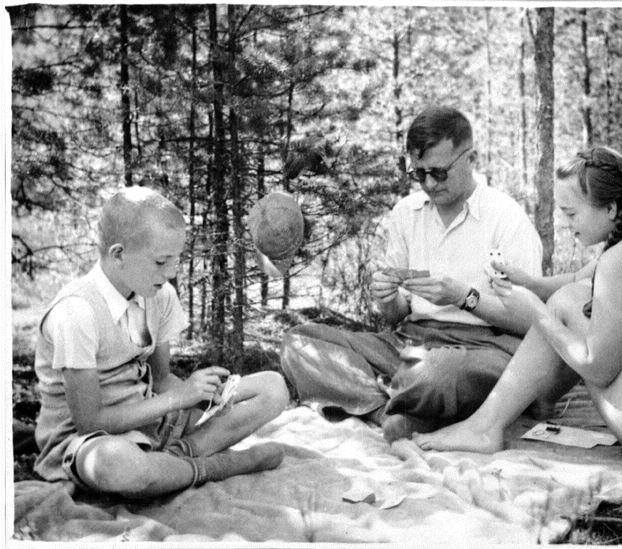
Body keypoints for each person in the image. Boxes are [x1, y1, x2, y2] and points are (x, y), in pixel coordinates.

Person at [280, 106, 543, 441]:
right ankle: (386, 412)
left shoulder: (506, 218)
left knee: (436, 375)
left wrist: (465, 298)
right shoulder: (406, 213)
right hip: (409, 343)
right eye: (419, 174)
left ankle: (384, 396)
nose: (429, 184)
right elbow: (396, 315)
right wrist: (387, 299)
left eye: (439, 172)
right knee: (299, 342)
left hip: (482, 349)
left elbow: (532, 324)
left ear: (471, 158)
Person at [33, 187, 289, 497]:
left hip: (152, 422)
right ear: (118, 254)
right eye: (160, 261)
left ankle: (175, 460)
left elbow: (162, 377)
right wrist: (179, 399)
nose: (170, 273)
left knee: (273, 387)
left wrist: (204, 396)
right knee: (117, 464)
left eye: (177, 260)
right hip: (88, 444)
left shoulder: (158, 294)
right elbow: (90, 422)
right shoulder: (77, 312)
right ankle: (220, 466)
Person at [414, 145, 622, 453]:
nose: (567, 224)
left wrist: (537, 312)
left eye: (572, 214)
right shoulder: (614, 253)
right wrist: (528, 283)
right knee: (570, 296)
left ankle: (486, 427)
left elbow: (598, 369)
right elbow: (580, 280)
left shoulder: (616, 261)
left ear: (611, 209)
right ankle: (502, 418)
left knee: (565, 303)